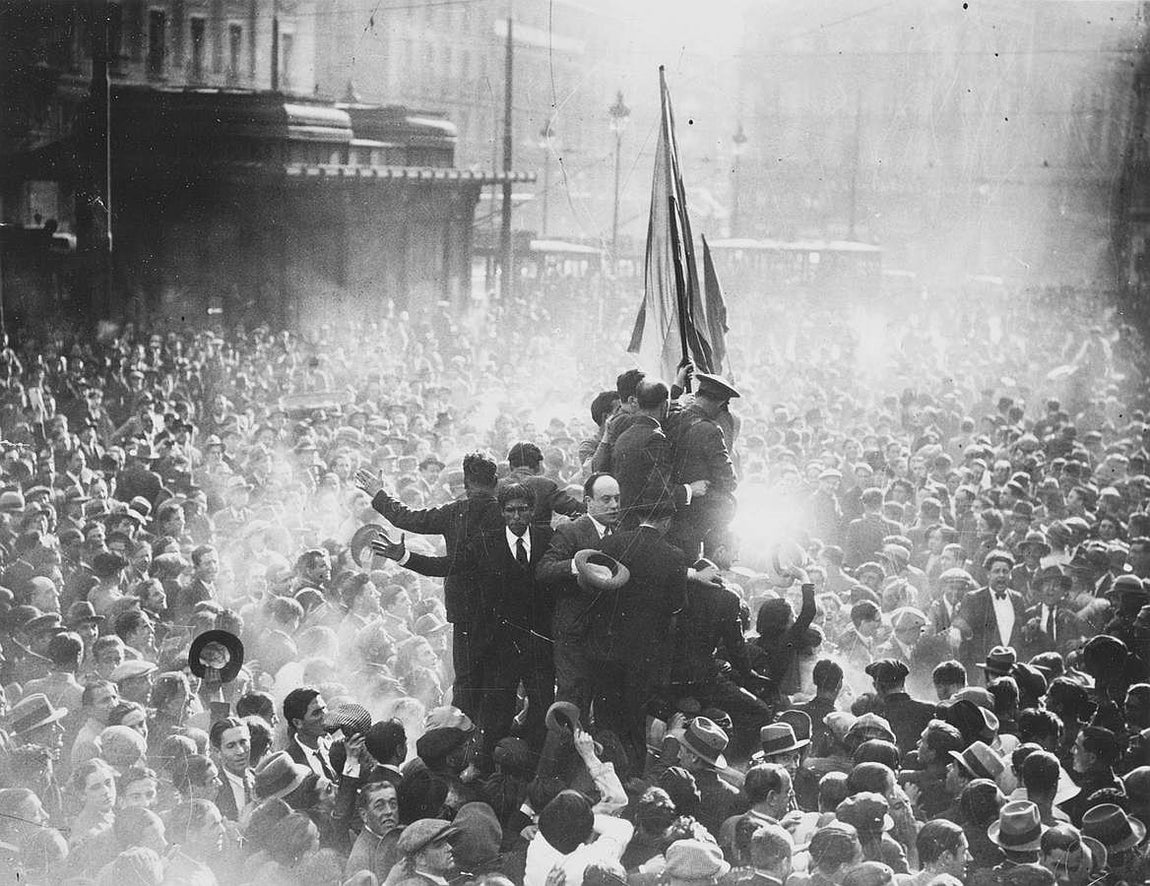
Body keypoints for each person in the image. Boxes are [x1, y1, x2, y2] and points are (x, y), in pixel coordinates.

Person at [373, 483, 555, 763]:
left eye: (523, 510)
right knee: (498, 714)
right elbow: (446, 566)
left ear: (532, 511)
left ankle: (531, 767)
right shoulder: (485, 542)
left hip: (537, 647)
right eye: (511, 511)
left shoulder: (547, 538)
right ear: (502, 513)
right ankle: (489, 768)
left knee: (541, 709)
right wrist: (403, 557)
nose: (517, 517)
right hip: (501, 648)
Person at [356, 451, 505, 720]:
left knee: (467, 682)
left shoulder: (453, 512)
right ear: (496, 482)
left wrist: (379, 493)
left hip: (464, 612)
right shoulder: (506, 513)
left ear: (467, 484)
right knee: (500, 680)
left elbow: (407, 518)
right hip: (504, 612)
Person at [535, 471, 621, 717]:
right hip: (574, 633)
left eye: (617, 498)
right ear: (588, 502)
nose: (614, 505)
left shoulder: (623, 532)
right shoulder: (571, 531)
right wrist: (578, 566)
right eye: (606, 499)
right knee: (572, 699)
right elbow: (544, 569)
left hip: (606, 633)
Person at [666, 373, 740, 559]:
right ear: (718, 403)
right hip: (698, 517)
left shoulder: (672, 419)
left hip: (671, 510)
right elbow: (728, 481)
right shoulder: (710, 430)